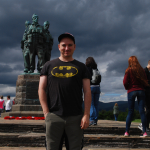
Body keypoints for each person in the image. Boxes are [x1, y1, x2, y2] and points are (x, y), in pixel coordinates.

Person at [38, 32, 91, 150]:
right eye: (63, 45)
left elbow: (87, 91)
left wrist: (86, 115)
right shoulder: (48, 65)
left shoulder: (82, 67)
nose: (67, 48)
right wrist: (46, 112)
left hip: (75, 117)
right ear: (59, 47)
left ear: (74, 47)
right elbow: (41, 88)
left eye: (70, 45)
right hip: (54, 115)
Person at [123, 56, 149, 137]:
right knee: (142, 112)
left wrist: (128, 87)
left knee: (130, 111)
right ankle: (144, 132)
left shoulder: (128, 70)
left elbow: (125, 82)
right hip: (141, 91)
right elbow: (145, 80)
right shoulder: (141, 70)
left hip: (131, 91)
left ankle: (127, 131)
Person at [85, 57, 101, 125]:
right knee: (96, 104)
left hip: (91, 87)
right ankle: (95, 119)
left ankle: (91, 119)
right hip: (97, 87)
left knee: (91, 104)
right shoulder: (96, 69)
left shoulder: (88, 69)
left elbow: (86, 79)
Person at [138, 60, 150, 132]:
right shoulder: (144, 71)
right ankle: (143, 124)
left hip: (148, 93)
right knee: (148, 109)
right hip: (145, 93)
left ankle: (146, 126)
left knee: (149, 109)